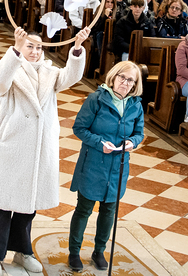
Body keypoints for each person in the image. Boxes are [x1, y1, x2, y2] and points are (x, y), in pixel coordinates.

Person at [0, 26, 89, 276]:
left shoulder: (50, 72)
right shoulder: (12, 68)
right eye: (30, 45)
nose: (34, 51)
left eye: (39, 46)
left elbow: (71, 77)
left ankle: (22, 251)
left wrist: (76, 49)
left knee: (28, 203)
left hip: (39, 147)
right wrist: (15, 50)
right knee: (1, 203)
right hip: (12, 144)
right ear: (21, 46)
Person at [66, 60, 144, 272]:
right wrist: (100, 143)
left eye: (131, 80)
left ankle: (99, 251)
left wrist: (132, 143)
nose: (126, 83)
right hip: (93, 163)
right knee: (84, 209)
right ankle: (74, 252)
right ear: (114, 76)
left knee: (109, 210)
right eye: (122, 78)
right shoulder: (96, 99)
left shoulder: (135, 105)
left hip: (118, 166)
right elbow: (79, 128)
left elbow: (139, 133)